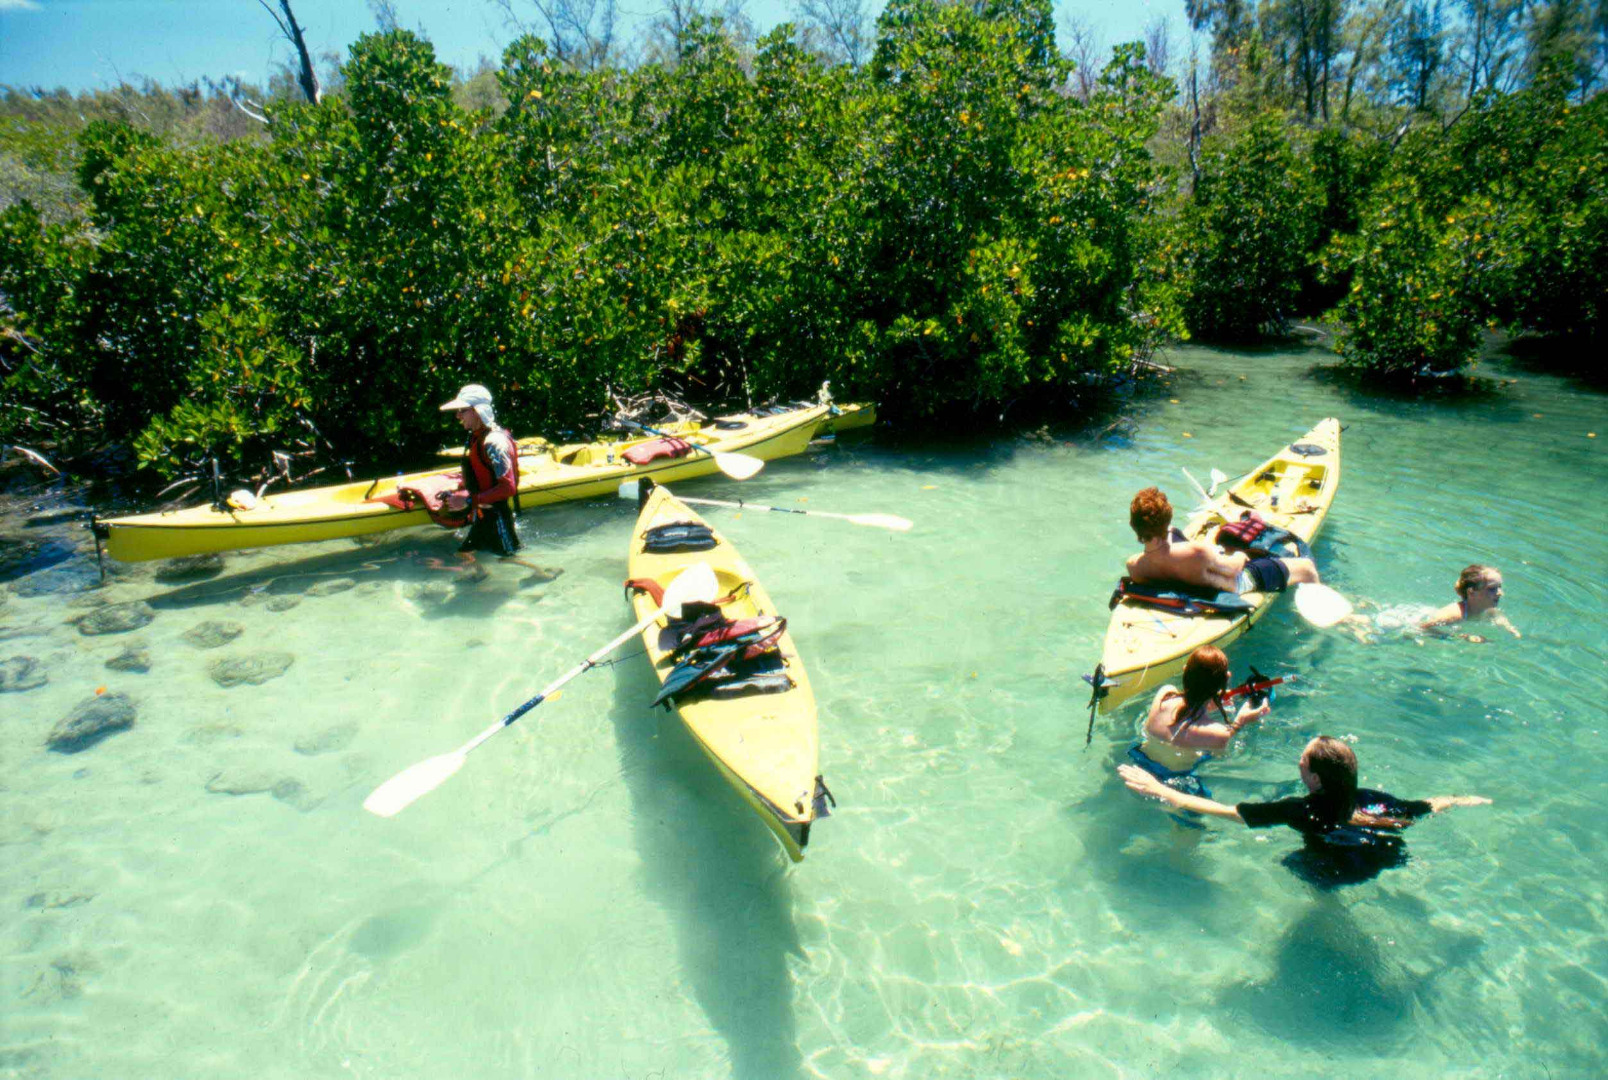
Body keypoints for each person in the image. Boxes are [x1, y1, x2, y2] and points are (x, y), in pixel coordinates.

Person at [1119, 736, 1490, 887]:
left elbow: (1228, 812)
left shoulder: (1302, 810)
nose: (1298, 762)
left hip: (1335, 863)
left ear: (1313, 777)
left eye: (1302, 760)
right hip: (1383, 853)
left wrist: (1162, 789)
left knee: (1296, 864)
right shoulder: (1372, 798)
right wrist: (1460, 799)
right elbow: (1426, 807)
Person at [1128, 646, 1271, 799]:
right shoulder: (1219, 733)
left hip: (1139, 762)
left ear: (1185, 670)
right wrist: (1241, 721)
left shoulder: (1164, 695)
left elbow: (1185, 713)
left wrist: (1210, 700)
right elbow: (1221, 753)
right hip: (1173, 783)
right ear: (1226, 679)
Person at [1125, 486, 1319, 595]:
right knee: (1307, 567)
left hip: (1193, 582)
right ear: (1167, 518)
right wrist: (1241, 554)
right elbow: (1234, 569)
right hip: (1237, 582)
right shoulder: (1195, 552)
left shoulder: (1134, 566)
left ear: (1134, 526)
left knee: (1181, 534)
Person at [440, 383, 522, 558]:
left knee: (509, 558)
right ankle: (479, 576)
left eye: (462, 410)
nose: (457, 415)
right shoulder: (476, 436)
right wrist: (460, 490)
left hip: (497, 515)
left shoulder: (494, 442)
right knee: (464, 554)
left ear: (477, 411)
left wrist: (468, 501)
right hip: (482, 512)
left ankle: (544, 572)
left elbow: (508, 488)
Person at [1420, 564, 1520, 642]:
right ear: (1471, 592)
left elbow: (1499, 618)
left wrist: (1510, 629)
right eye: (1492, 589)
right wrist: (1462, 637)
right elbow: (1420, 628)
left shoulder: (1491, 611)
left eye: (1499, 587)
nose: (1500, 593)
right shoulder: (1454, 615)